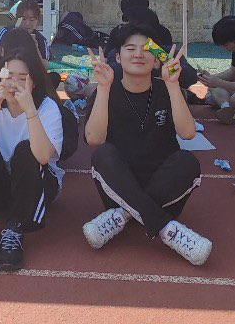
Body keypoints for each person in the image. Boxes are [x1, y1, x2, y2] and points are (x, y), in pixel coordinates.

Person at [81, 24, 212, 267]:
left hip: (164, 190)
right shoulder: (106, 90)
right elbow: (94, 139)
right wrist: (103, 87)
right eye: (130, 49)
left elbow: (188, 133)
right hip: (118, 188)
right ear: (118, 57)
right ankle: (167, 229)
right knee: (103, 155)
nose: (138, 54)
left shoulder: (167, 89)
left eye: (146, 49)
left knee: (188, 161)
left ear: (156, 60)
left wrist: (173, 85)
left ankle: (125, 215)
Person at [0, 47, 65, 271]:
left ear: (34, 82)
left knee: (26, 150)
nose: (14, 84)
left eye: (22, 78)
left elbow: (43, 157)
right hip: (0, 187)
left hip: (38, 185)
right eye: (9, 76)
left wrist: (30, 111)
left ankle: (15, 228)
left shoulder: (47, 108)